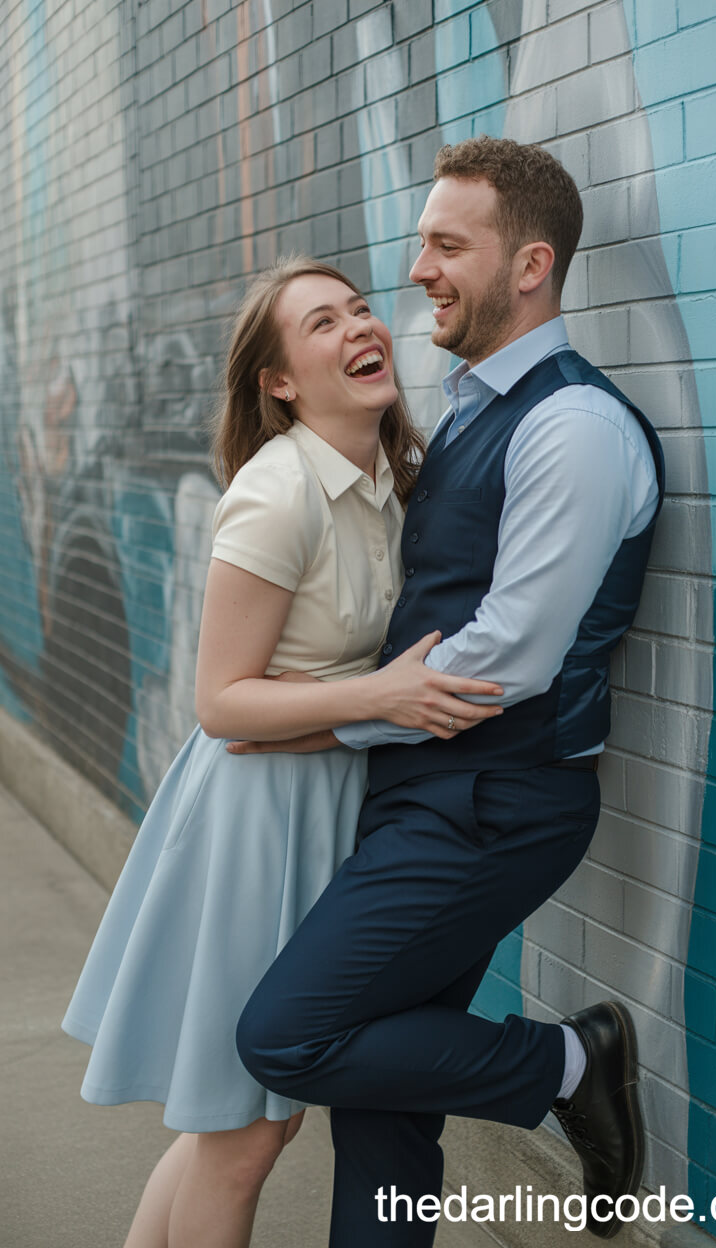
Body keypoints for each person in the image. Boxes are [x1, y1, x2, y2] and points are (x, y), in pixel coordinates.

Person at [233, 137, 665, 1244]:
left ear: (528, 266)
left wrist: (318, 717)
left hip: (491, 804)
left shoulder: (571, 424)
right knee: (383, 1112)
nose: (417, 267)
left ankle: (570, 1060)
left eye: (444, 244)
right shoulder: (474, 404)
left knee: (287, 1037)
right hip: (431, 794)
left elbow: (509, 657)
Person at [61, 257, 504, 1248]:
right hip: (254, 825)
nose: (358, 328)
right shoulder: (278, 493)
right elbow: (221, 702)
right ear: (280, 382)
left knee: (243, 1120)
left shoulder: (392, 477)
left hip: (322, 800)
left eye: (358, 309)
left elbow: (313, 701)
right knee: (245, 1135)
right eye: (320, 324)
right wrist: (382, 697)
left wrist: (351, 713)